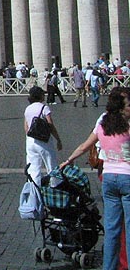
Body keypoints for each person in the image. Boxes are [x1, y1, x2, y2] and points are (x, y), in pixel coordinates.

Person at [61, 87, 130, 270]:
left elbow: (84, 146)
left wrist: (68, 160)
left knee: (112, 229)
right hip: (127, 179)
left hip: (108, 179)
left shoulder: (102, 125)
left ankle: (109, 267)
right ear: (123, 107)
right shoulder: (128, 126)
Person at [24, 86, 63, 185]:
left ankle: (34, 190)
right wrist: (58, 139)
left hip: (30, 141)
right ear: (40, 96)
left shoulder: (27, 108)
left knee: (33, 168)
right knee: (51, 165)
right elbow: (50, 125)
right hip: (43, 141)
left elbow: (26, 127)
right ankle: (55, 186)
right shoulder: (44, 107)